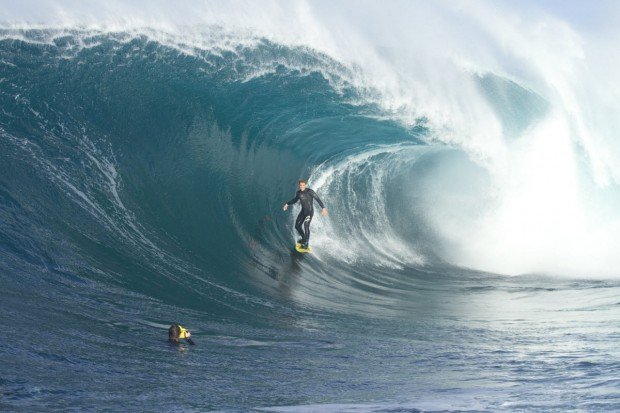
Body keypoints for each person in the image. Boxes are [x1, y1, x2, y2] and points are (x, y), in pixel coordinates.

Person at [283, 179, 327, 249]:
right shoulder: (298, 193)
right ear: (299, 185)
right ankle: (304, 238)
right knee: (297, 226)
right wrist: (287, 204)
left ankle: (306, 243)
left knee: (306, 225)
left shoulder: (310, 192)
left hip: (309, 212)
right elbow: (295, 200)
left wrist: (323, 208)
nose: (302, 186)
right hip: (303, 212)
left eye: (303, 185)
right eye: (301, 185)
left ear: (305, 185)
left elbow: (318, 199)